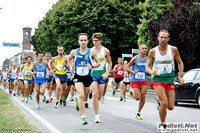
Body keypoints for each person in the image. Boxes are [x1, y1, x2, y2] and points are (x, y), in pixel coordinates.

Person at [146, 29, 184, 128]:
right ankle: (163, 123)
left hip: (169, 79)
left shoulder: (173, 49)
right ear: (158, 38)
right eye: (161, 37)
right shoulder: (153, 51)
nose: (163, 39)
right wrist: (151, 72)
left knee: (170, 107)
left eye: (165, 37)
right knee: (164, 102)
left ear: (168, 39)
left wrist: (180, 76)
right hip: (158, 79)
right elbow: (148, 66)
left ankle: (159, 102)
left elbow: (179, 62)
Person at [67, 33, 100, 125]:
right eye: (81, 40)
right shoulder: (74, 52)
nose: (83, 42)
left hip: (87, 77)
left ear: (88, 41)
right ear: (78, 41)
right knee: (81, 95)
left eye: (85, 40)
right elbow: (68, 59)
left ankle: (79, 101)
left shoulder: (91, 52)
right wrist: (70, 66)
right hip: (78, 76)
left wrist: (92, 66)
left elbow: (98, 63)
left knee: (84, 98)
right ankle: (83, 117)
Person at [90, 33, 112, 123]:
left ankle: (91, 91)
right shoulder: (90, 51)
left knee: (99, 96)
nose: (95, 42)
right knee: (95, 95)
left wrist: (107, 73)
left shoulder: (105, 51)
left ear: (100, 41)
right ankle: (97, 115)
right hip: (93, 74)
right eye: (94, 40)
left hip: (102, 75)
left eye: (97, 40)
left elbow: (110, 63)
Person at [125, 45, 148, 119]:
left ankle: (138, 112)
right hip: (135, 80)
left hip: (144, 79)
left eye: (146, 48)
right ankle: (132, 91)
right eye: (143, 48)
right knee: (138, 98)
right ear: (139, 49)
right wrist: (133, 71)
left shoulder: (148, 59)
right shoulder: (135, 58)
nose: (144, 50)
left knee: (143, 96)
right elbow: (126, 67)